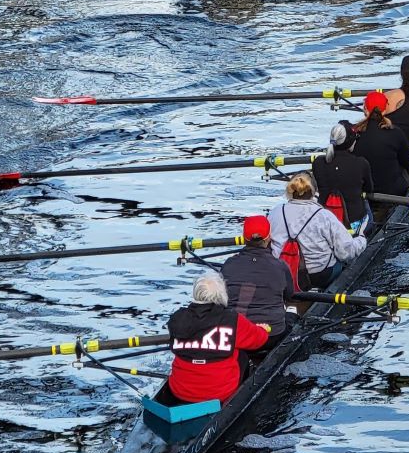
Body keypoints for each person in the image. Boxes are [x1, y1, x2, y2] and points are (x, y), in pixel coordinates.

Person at [157, 271, 271, 406]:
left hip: (179, 391)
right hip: (220, 394)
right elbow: (259, 340)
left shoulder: (178, 318)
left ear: (196, 293)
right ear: (221, 294)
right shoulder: (232, 319)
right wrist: (264, 329)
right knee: (242, 354)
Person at [268, 171, 367, 290]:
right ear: (314, 192)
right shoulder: (324, 215)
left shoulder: (275, 212)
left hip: (281, 274)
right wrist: (361, 239)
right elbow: (346, 253)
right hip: (318, 277)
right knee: (342, 260)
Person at [220, 215, 297, 345]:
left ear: (244, 238)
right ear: (268, 238)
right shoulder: (281, 266)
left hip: (238, 334)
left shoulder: (228, 265)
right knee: (292, 310)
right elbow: (290, 296)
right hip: (272, 335)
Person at [351, 89, 409, 197]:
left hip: (363, 190)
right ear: (385, 109)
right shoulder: (395, 132)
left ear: (365, 109)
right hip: (393, 190)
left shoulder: (353, 133)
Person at [311, 121, 375, 233]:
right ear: (350, 141)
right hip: (354, 224)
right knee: (364, 199)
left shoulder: (318, 162)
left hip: (326, 223)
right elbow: (369, 189)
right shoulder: (361, 163)